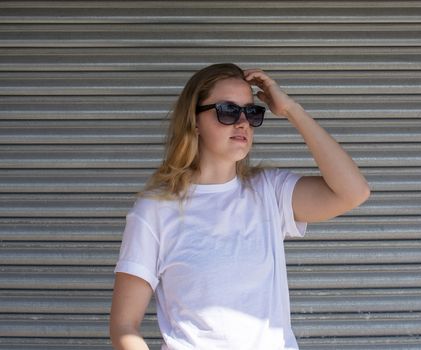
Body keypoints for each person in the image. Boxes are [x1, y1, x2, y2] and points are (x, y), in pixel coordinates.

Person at [109, 63, 370, 350]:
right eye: (228, 111)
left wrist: (291, 110)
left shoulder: (269, 192)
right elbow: (124, 326)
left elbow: (353, 192)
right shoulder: (155, 210)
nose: (242, 121)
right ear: (194, 120)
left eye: (252, 111)